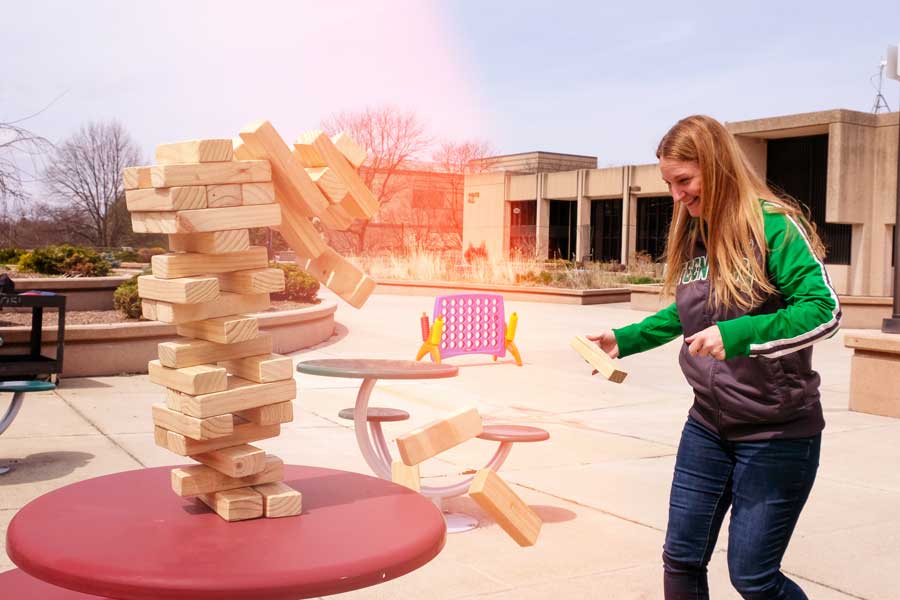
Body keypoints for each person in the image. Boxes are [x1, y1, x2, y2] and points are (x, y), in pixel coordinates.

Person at [588, 115, 841, 600]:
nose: (676, 195)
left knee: (754, 577)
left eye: (684, 181)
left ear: (718, 166)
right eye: (669, 184)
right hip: (707, 426)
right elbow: (692, 309)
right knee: (681, 560)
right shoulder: (696, 232)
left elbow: (823, 311)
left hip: (776, 433)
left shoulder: (774, 227)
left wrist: (739, 334)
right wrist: (626, 338)